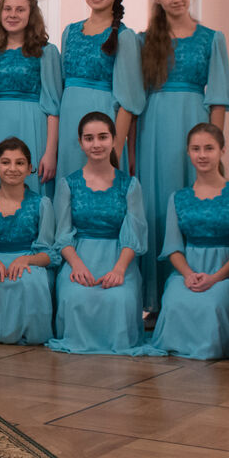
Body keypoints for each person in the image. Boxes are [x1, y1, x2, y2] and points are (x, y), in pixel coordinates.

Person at [134, 0, 229, 313]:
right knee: (157, 203)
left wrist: (214, 146)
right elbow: (134, 97)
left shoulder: (211, 38)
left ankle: (196, 289)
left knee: (194, 200)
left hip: (195, 123)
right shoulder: (144, 40)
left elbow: (218, 98)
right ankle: (156, 300)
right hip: (153, 129)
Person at [132, 123, 229, 360]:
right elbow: (173, 248)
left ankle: (211, 349)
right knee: (173, 300)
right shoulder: (178, 198)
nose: (202, 155)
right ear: (188, 152)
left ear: (222, 150)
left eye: (209, 148)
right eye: (196, 149)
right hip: (187, 273)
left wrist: (215, 278)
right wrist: (188, 275)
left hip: (227, 275)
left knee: (211, 305)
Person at [47, 112, 147, 355]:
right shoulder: (68, 184)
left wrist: (119, 270)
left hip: (118, 259)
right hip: (79, 257)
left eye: (103, 137)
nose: (96, 144)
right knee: (75, 297)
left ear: (113, 140)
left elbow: (134, 235)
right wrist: (77, 266)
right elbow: (62, 235)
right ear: (80, 143)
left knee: (120, 299)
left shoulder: (130, 185)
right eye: (89, 138)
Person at [56, 0, 145, 179]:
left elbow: (128, 103)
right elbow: (62, 83)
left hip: (103, 120)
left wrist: (116, 151)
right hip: (68, 121)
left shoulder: (125, 36)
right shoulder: (70, 32)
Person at [0, 139, 57, 345]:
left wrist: (28, 260)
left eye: (20, 163)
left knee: (31, 281)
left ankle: (30, 334)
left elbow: (49, 253)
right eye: (6, 162)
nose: (13, 168)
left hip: (31, 261)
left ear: (30, 168)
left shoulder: (41, 204)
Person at [0, 0, 63, 196]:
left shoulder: (46, 51)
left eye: (20, 10)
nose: (13, 15)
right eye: (7, 9)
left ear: (31, 14)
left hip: (33, 125)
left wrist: (50, 152)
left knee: (31, 185)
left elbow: (54, 107)